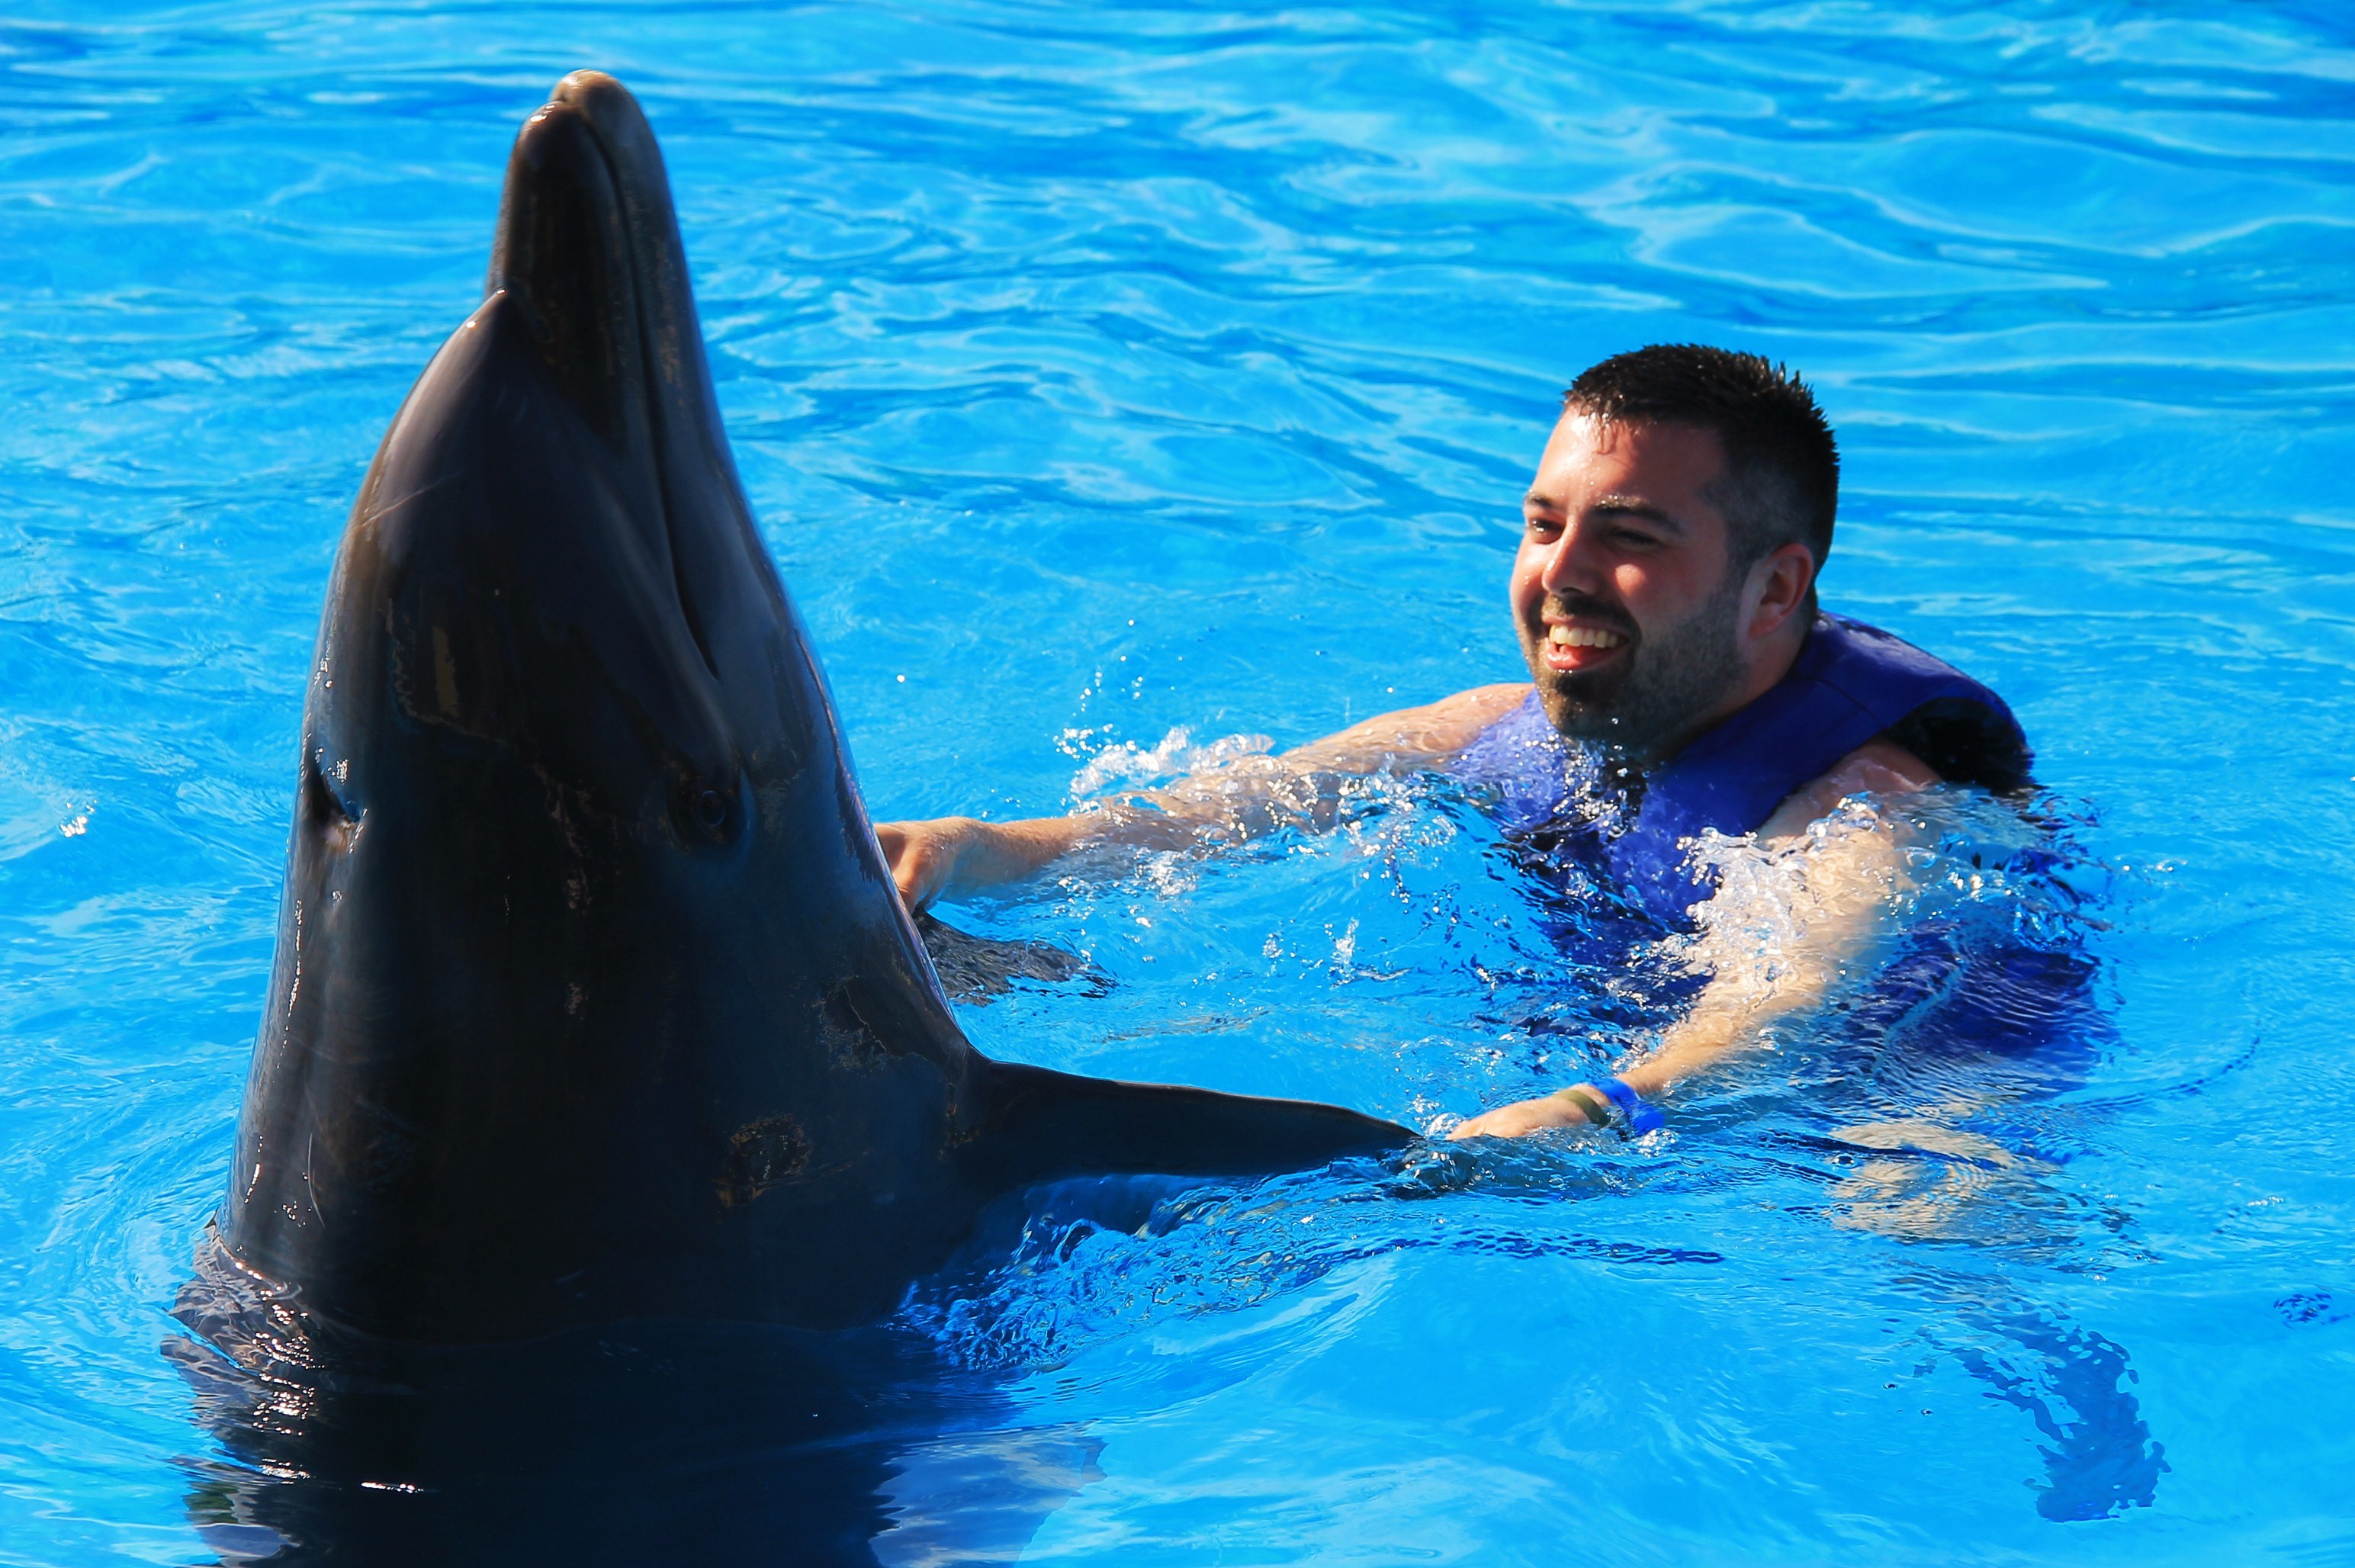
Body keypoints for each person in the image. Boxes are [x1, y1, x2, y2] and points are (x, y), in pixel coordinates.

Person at [875, 345, 2029, 1140]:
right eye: (1544, 524)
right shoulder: (1498, 729)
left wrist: (1595, 1113)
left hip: (1906, 1086)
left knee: (1933, 1211)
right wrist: (977, 849)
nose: (1561, 574)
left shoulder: (1866, 818)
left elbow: (1777, 1021)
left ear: (1775, 588)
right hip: (1601, 1039)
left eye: (1629, 536)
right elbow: (1214, 816)